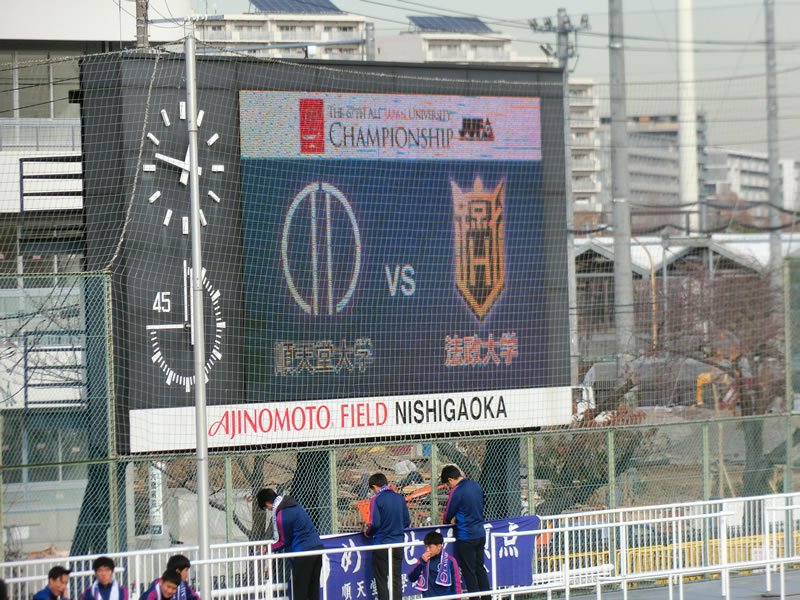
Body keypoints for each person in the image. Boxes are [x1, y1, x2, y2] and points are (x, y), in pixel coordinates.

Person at [256, 488, 324, 600]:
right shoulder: (294, 505)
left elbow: (284, 541)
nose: (268, 509)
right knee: (313, 590)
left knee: (300, 592)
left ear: (267, 503)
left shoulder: (281, 515)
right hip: (318, 547)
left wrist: (268, 548)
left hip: (304, 552)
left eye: (266, 507)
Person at [441, 465, 489, 598]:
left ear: (450, 480)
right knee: (480, 568)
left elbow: (447, 515)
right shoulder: (476, 485)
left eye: (447, 484)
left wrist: (450, 520)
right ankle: (487, 597)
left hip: (466, 535)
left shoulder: (457, 491)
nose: (448, 487)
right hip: (480, 533)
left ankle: (475, 598)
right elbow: (483, 504)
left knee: (469, 571)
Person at [364, 472, 411, 600]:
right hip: (399, 543)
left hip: (382, 543)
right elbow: (407, 522)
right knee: (396, 577)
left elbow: (375, 524)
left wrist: (367, 533)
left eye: (372, 490)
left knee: (381, 579)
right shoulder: (400, 498)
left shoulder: (376, 499)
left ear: (374, 486)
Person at [408, 531, 462, 598]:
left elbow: (456, 585)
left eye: (430, 547)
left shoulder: (450, 561)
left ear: (439, 546)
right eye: (426, 547)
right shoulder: (423, 560)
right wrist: (422, 563)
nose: (427, 550)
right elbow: (411, 578)